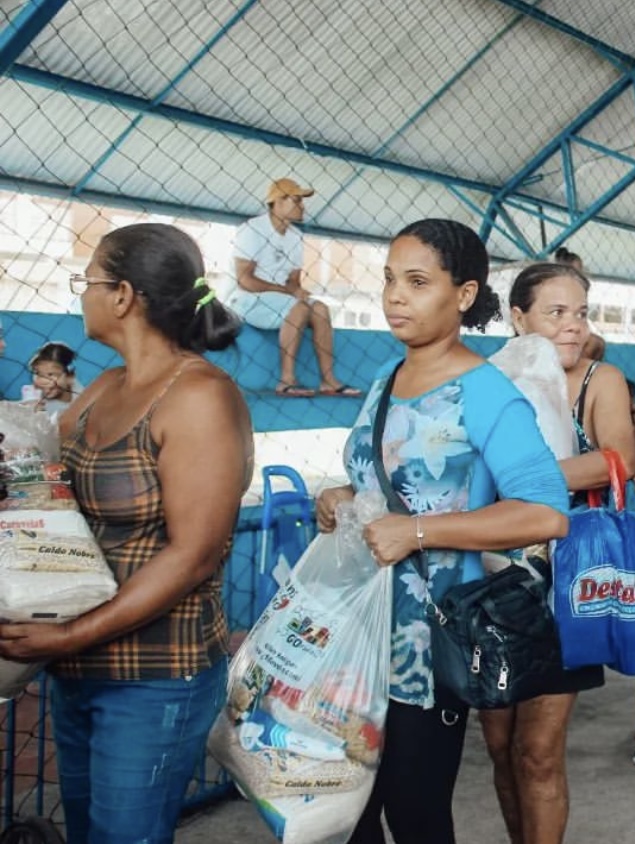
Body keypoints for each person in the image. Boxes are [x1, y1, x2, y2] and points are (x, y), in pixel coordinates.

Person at [315, 219, 570, 844]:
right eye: (389, 280)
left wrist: (418, 532)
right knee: (342, 811)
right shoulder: (386, 379)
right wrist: (344, 496)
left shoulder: (487, 394)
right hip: (357, 631)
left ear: (463, 294)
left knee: (415, 813)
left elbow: (545, 514)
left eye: (417, 282)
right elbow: (387, 482)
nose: (395, 296)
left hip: (427, 644)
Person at [0, 223, 252, 844]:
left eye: (86, 281)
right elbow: (49, 494)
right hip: (78, 668)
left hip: (154, 675)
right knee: (89, 828)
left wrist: (68, 634)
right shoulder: (104, 387)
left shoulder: (198, 396)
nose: (81, 295)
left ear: (122, 296)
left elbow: (194, 556)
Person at [481, 262, 635, 842]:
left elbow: (617, 459)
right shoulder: (490, 379)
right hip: (490, 579)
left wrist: (519, 480)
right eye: (556, 313)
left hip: (565, 582)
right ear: (518, 318)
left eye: (581, 313)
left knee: (538, 750)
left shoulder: (600, 380)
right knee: (500, 745)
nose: (573, 326)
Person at [229, 177, 359, 398]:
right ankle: (287, 380)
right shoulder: (252, 229)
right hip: (247, 299)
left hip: (281, 301)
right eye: (296, 200)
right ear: (278, 201)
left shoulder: (296, 236)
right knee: (298, 307)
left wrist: (295, 291)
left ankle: (328, 380)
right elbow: (245, 281)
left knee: (320, 308)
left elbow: (293, 283)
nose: (302, 206)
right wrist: (289, 292)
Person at [26, 341, 79, 416]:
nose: (44, 381)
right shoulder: (33, 397)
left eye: (51, 375)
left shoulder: (82, 397)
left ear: (70, 376)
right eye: (38, 373)